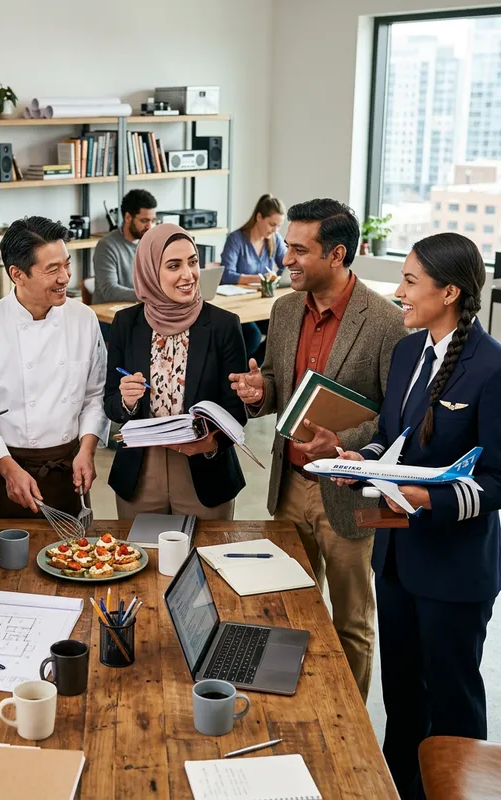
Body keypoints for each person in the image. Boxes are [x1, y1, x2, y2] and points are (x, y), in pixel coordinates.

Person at [334, 233, 501, 800]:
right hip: (398, 559)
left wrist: (428, 496)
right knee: (403, 699)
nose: (398, 292)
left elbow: (498, 481)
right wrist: (364, 461)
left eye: (410, 282)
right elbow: (392, 437)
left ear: (449, 291)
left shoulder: (492, 368)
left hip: (454, 569)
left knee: (452, 706)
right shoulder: (407, 352)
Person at [230, 198, 406, 702]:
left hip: (351, 497)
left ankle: (347, 724)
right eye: (287, 245)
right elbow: (275, 383)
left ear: (337, 254)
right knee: (287, 609)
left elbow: (398, 421)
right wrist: (258, 392)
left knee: (351, 622)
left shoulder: (386, 323)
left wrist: (344, 442)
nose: (286, 258)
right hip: (289, 489)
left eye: (300, 249)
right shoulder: (285, 309)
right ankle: (299, 711)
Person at [0, 216, 109, 518]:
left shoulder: (84, 319)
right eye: (52, 269)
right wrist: (8, 469)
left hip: (69, 467)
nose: (65, 277)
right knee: (2, 563)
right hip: (7, 472)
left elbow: (95, 395)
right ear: (17, 274)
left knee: (74, 560)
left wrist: (88, 448)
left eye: (66, 264)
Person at [104, 224, 247, 519]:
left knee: (205, 560)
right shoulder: (125, 324)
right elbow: (110, 403)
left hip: (205, 469)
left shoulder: (223, 325)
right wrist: (127, 401)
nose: (188, 274)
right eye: (173, 265)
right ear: (149, 272)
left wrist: (213, 442)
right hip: (141, 471)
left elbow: (236, 408)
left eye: (193, 262)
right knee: (141, 560)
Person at [220, 194, 287, 362]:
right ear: (259, 217)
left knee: (282, 333)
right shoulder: (236, 239)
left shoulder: (275, 239)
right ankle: (238, 372)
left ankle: (255, 370)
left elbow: (287, 264)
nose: (275, 230)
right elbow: (227, 275)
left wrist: (278, 278)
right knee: (253, 335)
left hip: (262, 303)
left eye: (279, 226)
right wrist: (260, 278)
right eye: (272, 224)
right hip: (240, 305)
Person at [92, 188, 157, 304]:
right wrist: (148, 295)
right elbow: (110, 291)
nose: (150, 226)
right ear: (128, 218)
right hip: (111, 317)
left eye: (153, 221)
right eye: (144, 221)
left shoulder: (152, 244)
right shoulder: (107, 246)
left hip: (141, 310)